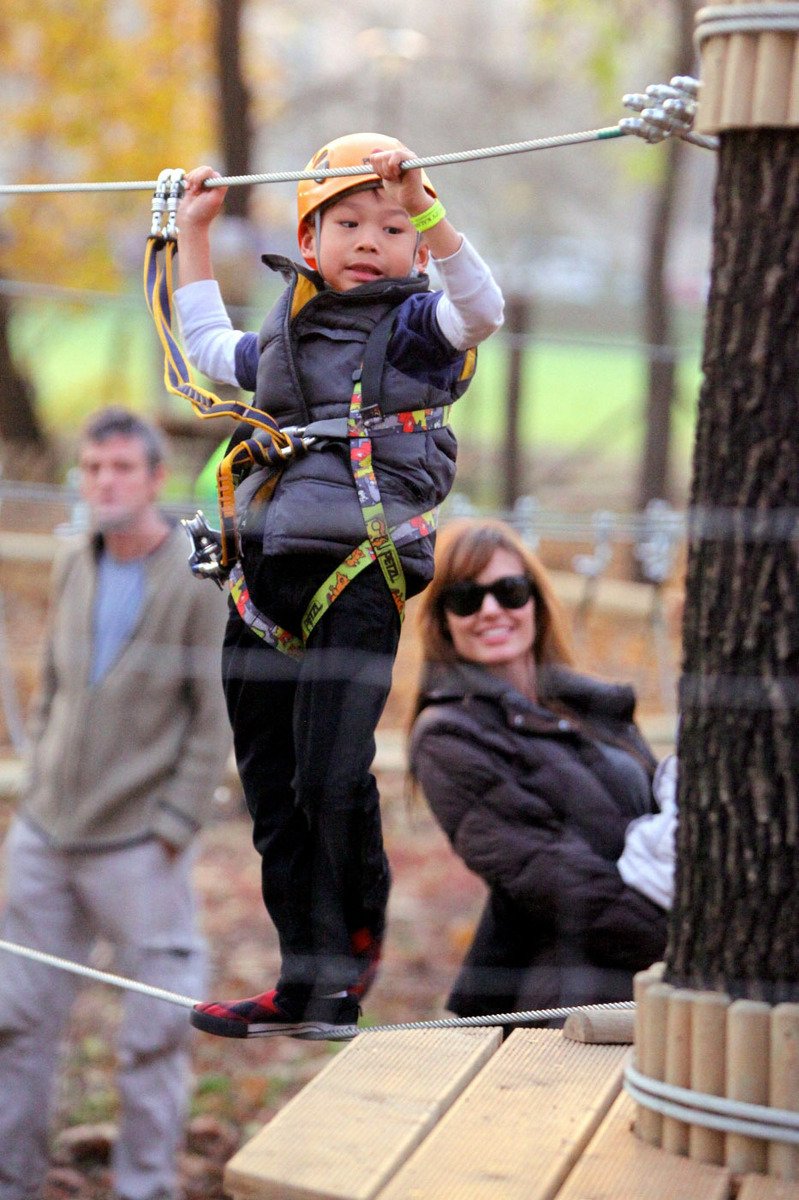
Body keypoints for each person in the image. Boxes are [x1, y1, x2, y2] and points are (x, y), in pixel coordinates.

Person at [172, 132, 504, 1040]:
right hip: (259, 583)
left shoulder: (416, 331)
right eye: (347, 221)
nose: (370, 239)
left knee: (329, 775)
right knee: (271, 789)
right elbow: (204, 346)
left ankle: (344, 973)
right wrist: (194, 232)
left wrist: (430, 210)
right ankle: (301, 984)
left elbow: (482, 308)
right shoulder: (279, 337)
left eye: (390, 227)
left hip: (358, 571)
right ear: (308, 243)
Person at [0, 407, 231, 1200]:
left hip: (139, 844)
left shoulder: (197, 579)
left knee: (154, 1032)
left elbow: (215, 719)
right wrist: (35, 787)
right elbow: (55, 690)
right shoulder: (75, 560)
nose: (103, 482)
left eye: (120, 468)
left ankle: (144, 1188)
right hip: (43, 837)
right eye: (92, 467)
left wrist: (172, 828)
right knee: (15, 1024)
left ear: (154, 479)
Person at [408, 517, 668, 1022]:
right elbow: (553, 878)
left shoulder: (589, 706)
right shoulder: (449, 735)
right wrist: (686, 947)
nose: (490, 611)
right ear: (442, 620)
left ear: (535, 601)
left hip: (649, 983)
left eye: (509, 591)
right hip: (571, 1003)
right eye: (465, 598)